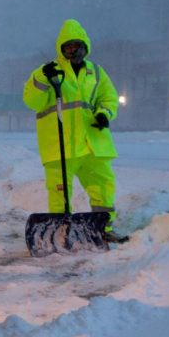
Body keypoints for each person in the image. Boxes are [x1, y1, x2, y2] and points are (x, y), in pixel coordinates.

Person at [22, 18, 127, 243]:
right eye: (67, 46)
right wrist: (41, 77)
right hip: (59, 145)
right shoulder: (49, 72)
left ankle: (103, 228)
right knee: (60, 193)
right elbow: (32, 100)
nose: (72, 50)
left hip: (92, 143)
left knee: (102, 186)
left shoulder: (96, 72)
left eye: (76, 46)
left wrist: (104, 114)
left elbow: (108, 98)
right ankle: (60, 232)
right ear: (61, 48)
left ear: (84, 46)